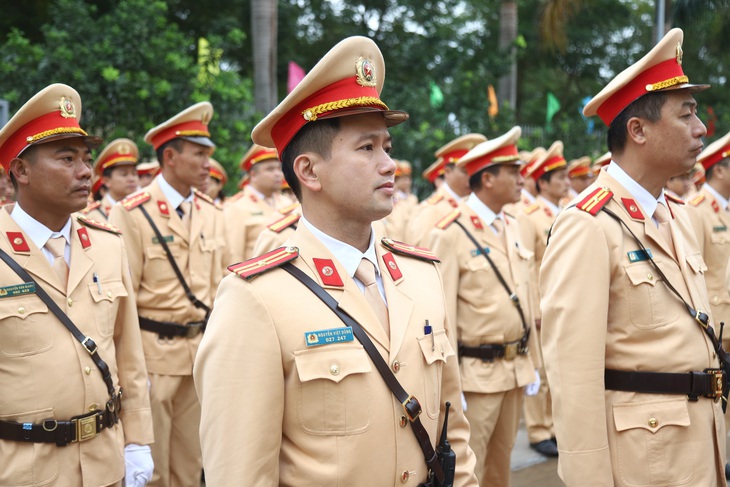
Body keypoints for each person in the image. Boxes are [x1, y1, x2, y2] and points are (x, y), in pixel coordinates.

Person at [194, 36, 478, 486]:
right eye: (367, 149)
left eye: (386, 146)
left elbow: (453, 431)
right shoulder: (258, 299)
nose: (389, 164)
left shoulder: (422, 276)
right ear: (308, 171)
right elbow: (240, 473)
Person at [541, 28, 726, 486]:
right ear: (638, 130)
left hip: (697, 449)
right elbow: (573, 376)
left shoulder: (678, 213)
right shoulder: (587, 224)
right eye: (686, 115)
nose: (701, 129)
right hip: (646, 461)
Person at [0, 83, 153, 486]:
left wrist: (138, 442)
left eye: (86, 158)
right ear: (21, 170)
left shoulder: (106, 244)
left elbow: (129, 356)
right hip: (22, 470)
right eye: (67, 158)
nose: (86, 171)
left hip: (104, 461)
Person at [109, 101, 226, 487]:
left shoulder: (211, 211)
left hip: (198, 354)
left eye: (208, 153)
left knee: (192, 465)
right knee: (153, 470)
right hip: (152, 356)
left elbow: (220, 287)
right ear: (171, 156)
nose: (208, 162)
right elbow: (120, 301)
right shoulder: (133, 213)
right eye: (199, 153)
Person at [428, 126, 539, 486]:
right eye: (513, 172)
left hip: (514, 367)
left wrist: (532, 361)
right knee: (467, 466)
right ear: (488, 179)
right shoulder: (451, 232)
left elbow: (524, 296)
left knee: (500, 465)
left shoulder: (515, 224)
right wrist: (449, 385)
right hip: (475, 375)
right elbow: (441, 315)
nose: (523, 179)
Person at [518, 140, 570, 459]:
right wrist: (536, 307)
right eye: (560, 177)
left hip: (562, 301)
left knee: (557, 369)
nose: (566, 182)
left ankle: (552, 425)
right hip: (543, 303)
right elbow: (529, 265)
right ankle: (538, 430)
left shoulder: (564, 211)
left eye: (566, 176)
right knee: (541, 370)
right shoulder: (531, 215)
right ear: (543, 182)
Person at [685, 129, 730, 480]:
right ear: (720, 170)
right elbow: (692, 273)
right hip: (717, 323)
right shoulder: (696, 210)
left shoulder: (725, 210)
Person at [405, 134, 485, 247]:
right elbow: (423, 257)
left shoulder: (473, 204)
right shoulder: (432, 210)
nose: (472, 177)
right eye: (465, 171)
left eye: (474, 171)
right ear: (447, 172)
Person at [223, 143, 288, 263]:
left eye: (279, 168)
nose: (277, 174)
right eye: (270, 169)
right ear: (253, 175)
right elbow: (233, 256)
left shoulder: (287, 203)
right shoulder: (237, 207)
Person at [81, 138, 140, 220]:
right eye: (124, 174)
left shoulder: (144, 209)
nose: (132, 179)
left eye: (134, 173)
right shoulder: (93, 216)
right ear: (106, 181)